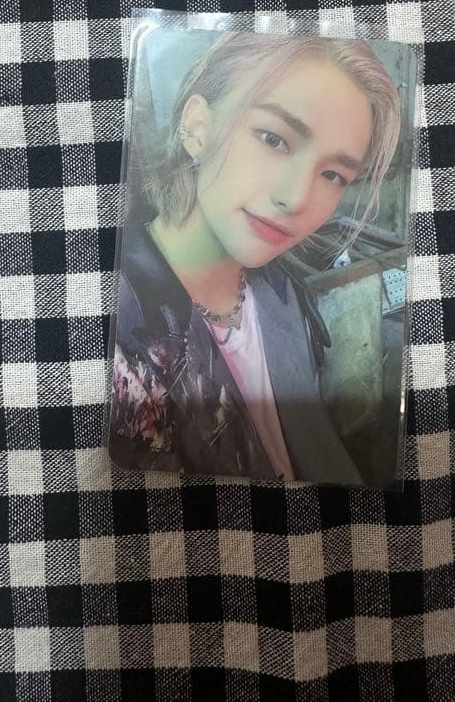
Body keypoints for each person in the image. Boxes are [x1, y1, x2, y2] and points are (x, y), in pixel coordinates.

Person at [108, 31, 401, 484]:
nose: (296, 198)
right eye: (273, 138)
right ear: (197, 127)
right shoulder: (122, 329)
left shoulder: (287, 296)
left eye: (332, 174)